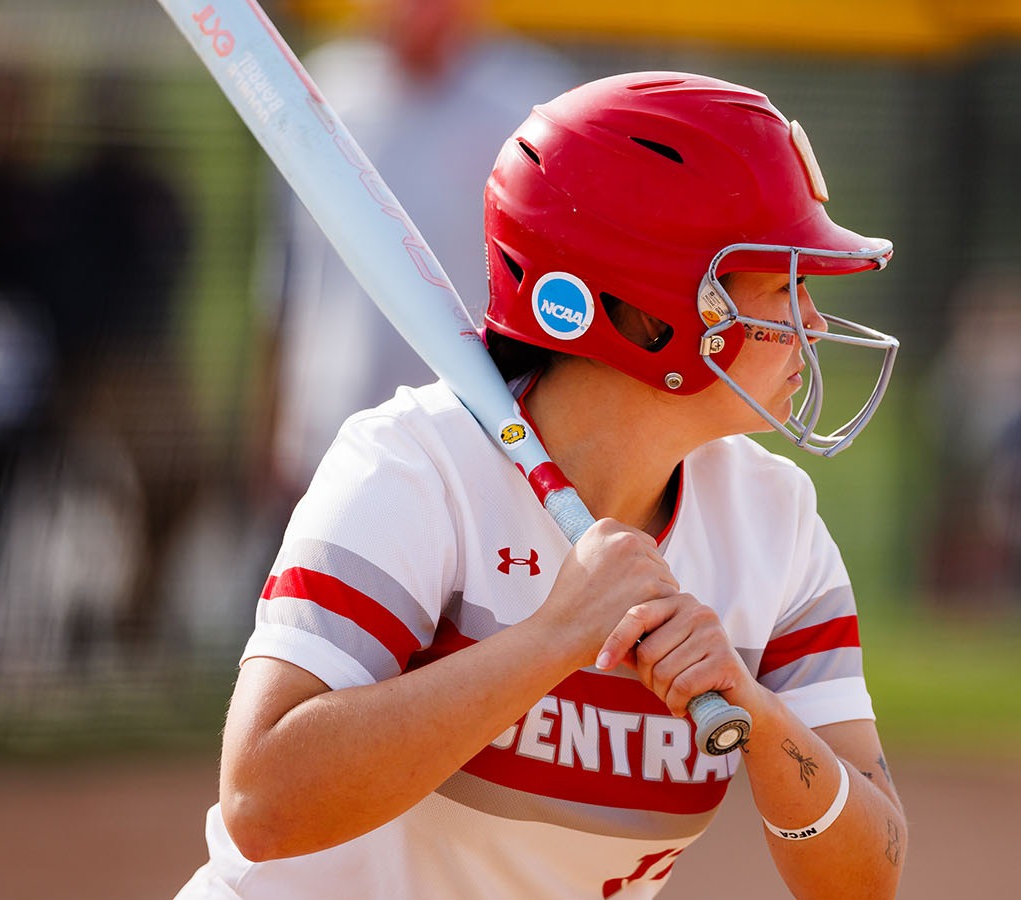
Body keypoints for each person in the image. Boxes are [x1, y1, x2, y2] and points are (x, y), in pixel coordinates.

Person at [177, 72, 906, 899]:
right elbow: (262, 803)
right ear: (652, 313)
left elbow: (865, 878)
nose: (810, 323)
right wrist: (552, 641)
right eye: (785, 285)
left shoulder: (774, 522)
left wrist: (758, 715)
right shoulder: (416, 468)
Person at [264, 0, 575, 500]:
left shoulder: (529, 104)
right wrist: (272, 427)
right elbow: (287, 279)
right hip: (326, 438)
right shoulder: (324, 92)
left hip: (469, 444)